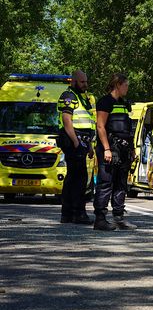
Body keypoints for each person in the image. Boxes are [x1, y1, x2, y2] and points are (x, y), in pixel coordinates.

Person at [93, 73, 137, 231]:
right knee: (105, 183)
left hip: (123, 149)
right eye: (126, 85)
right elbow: (100, 126)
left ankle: (119, 218)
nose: (127, 88)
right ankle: (100, 219)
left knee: (121, 184)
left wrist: (131, 149)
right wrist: (106, 148)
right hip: (109, 148)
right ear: (118, 85)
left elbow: (127, 128)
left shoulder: (124, 104)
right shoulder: (105, 102)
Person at [57, 70, 96, 224]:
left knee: (75, 177)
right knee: (79, 178)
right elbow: (67, 120)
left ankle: (68, 214)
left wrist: (90, 146)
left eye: (86, 82)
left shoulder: (83, 97)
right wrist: (76, 142)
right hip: (74, 140)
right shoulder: (69, 96)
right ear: (73, 81)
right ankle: (77, 213)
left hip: (82, 141)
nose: (85, 85)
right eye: (82, 82)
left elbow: (88, 122)